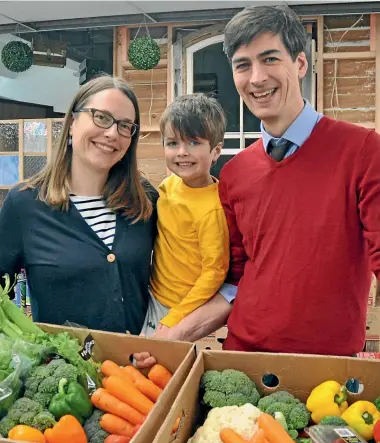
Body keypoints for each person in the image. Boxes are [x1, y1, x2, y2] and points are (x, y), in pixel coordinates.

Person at [134, 5, 380, 367]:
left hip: (328, 366)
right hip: (242, 356)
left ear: (300, 64)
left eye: (269, 59)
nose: (256, 78)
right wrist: (171, 337)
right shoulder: (234, 174)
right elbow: (235, 278)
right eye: (243, 65)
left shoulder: (362, 150)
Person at [0, 75, 158, 334]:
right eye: (102, 118)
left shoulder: (145, 201)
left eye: (125, 125)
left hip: (139, 371)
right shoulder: (25, 205)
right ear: (72, 123)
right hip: (64, 370)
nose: (111, 133)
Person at [140, 93, 229, 338]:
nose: (182, 152)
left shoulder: (213, 209)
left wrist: (177, 317)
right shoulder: (168, 186)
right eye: (172, 143)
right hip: (150, 294)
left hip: (177, 307)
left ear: (216, 151)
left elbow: (215, 271)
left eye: (193, 143)